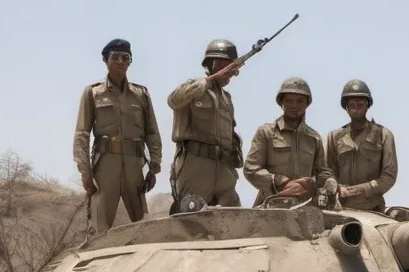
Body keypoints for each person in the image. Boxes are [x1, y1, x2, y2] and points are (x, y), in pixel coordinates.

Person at [73, 38, 162, 237]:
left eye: (125, 58)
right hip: (105, 167)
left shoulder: (141, 94)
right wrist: (84, 169)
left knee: (143, 227)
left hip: (134, 167)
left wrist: (154, 166)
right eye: (115, 57)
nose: (120, 61)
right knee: (98, 230)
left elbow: (152, 132)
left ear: (130, 62)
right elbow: (82, 133)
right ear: (106, 60)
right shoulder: (93, 93)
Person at [166, 39, 245, 211]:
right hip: (196, 166)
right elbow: (173, 100)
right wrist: (209, 80)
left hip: (224, 169)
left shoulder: (227, 99)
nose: (231, 73)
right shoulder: (194, 88)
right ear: (214, 64)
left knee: (234, 219)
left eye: (234, 68)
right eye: (227, 67)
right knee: (193, 218)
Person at [244, 77, 336, 207]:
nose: (294, 106)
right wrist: (281, 181)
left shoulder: (314, 138)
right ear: (281, 102)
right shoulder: (266, 133)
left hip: (305, 207)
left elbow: (322, 172)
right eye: (289, 101)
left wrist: (328, 181)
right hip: (272, 204)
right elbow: (250, 169)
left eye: (300, 101)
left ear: (306, 104)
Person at [325, 80, 398, 213]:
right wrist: (334, 186)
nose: (356, 107)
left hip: (373, 208)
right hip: (339, 208)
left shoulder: (383, 135)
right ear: (346, 107)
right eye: (351, 104)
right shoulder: (334, 137)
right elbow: (326, 171)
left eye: (360, 103)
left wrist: (357, 190)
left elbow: (389, 177)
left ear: (367, 105)